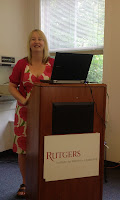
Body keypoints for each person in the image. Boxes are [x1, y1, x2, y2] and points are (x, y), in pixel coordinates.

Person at [9, 29, 54, 198]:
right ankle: (25, 182)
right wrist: (23, 99)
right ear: (29, 43)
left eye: (40, 39)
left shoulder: (53, 63)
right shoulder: (22, 64)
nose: (36, 41)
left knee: (46, 147)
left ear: (44, 43)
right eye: (33, 39)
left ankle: (44, 179)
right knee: (24, 149)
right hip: (24, 113)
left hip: (47, 112)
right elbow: (12, 85)